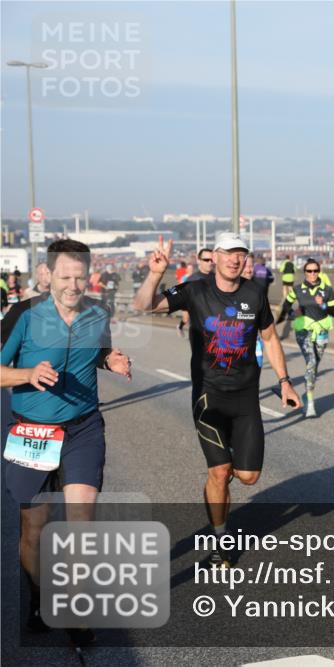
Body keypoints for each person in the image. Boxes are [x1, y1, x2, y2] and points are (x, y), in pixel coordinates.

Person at [132, 233, 301, 565]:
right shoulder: (195, 290)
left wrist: (285, 381)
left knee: (249, 476)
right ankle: (221, 539)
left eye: (241, 254)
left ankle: (220, 483)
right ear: (215, 257)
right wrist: (155, 274)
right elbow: (144, 306)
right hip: (209, 397)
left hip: (246, 399)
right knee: (220, 472)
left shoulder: (255, 293)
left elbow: (268, 336)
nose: (235, 260)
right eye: (229, 253)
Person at [2, 239, 132, 645]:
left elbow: (99, 352)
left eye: (80, 275)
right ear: (48, 274)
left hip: (82, 428)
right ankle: (40, 597)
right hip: (32, 432)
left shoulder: (98, 312)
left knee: (81, 520)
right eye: (65, 276)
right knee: (34, 529)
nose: (73, 284)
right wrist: (26, 375)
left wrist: (112, 360)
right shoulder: (24, 314)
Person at [277, 259, 334, 417]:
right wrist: (290, 314)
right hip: (303, 330)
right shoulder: (297, 289)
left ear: (319, 271)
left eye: (315, 270)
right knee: (312, 362)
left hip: (322, 330)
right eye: (309, 271)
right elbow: (286, 306)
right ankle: (310, 403)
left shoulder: (327, 290)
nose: (312, 274)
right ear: (304, 272)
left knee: (314, 367)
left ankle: (306, 394)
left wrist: (323, 304)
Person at [178, 248, 214, 337]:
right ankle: (180, 327)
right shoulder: (192, 279)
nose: (210, 262)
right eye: (206, 260)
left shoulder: (218, 278)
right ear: (199, 261)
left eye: (212, 260)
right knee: (185, 319)